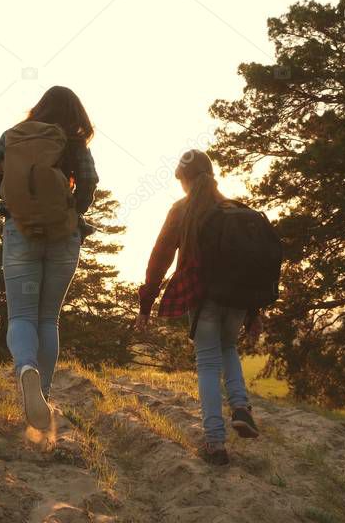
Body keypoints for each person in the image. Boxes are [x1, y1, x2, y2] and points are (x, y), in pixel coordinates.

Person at [0, 86, 98, 430]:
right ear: (76, 114)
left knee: (21, 316)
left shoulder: (14, 135)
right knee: (48, 318)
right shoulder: (74, 142)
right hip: (63, 236)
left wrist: (14, 200)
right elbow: (89, 181)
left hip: (20, 231)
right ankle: (42, 398)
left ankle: (26, 369)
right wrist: (72, 211)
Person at [135, 149, 261, 466]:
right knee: (228, 347)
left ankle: (215, 443)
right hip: (237, 300)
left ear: (185, 180)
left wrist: (146, 303)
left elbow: (159, 258)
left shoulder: (182, 210)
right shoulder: (234, 209)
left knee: (206, 363)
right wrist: (255, 312)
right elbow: (250, 266)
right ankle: (241, 406)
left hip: (203, 298)